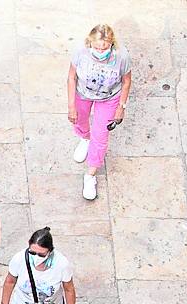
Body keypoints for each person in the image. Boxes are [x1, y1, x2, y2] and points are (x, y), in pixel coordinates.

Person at [68, 24, 132, 201]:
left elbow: (126, 81)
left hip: (109, 97)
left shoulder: (121, 56)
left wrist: (121, 106)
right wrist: (71, 104)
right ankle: (84, 138)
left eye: (104, 47)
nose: (100, 51)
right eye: (97, 47)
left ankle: (91, 174)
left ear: (111, 43)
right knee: (79, 120)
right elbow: (71, 76)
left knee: (101, 134)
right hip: (83, 93)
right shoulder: (80, 52)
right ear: (90, 42)